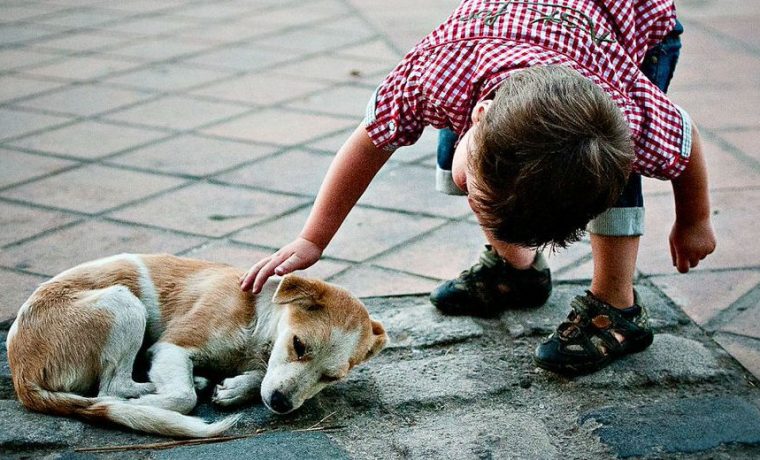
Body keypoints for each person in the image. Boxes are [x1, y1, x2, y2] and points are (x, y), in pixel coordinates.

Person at [240, 0, 716, 375]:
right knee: (456, 160)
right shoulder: (432, 75)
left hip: (639, 32)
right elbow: (369, 141)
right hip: (507, 41)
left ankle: (617, 308)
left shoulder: (627, 112)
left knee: (610, 172)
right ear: (479, 114)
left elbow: (684, 135)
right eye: (479, 201)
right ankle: (517, 273)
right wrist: (313, 238)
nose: (477, 209)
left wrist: (694, 220)